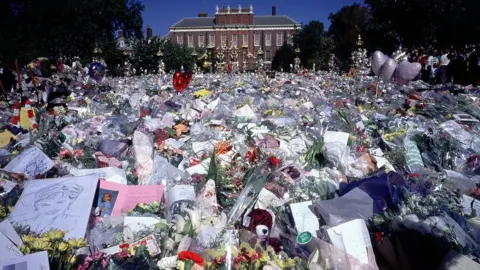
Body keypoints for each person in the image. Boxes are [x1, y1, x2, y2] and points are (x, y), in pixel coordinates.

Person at [10, 183, 84, 234]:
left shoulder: (74, 224)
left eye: (60, 202)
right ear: (36, 205)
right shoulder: (21, 221)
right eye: (45, 204)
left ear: (69, 203)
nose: (52, 208)